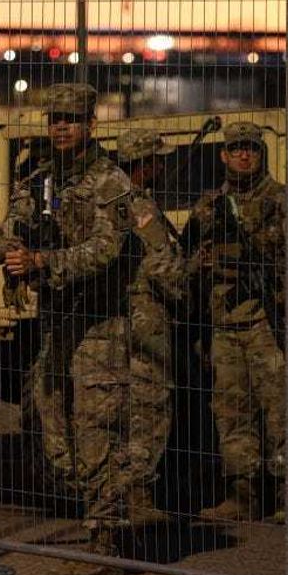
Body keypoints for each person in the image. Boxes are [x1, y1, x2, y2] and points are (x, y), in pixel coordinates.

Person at [0, 83, 138, 575]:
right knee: (54, 434)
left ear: (90, 124)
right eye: (54, 119)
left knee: (95, 434)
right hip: (57, 328)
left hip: (101, 328)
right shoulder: (39, 183)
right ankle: (102, 522)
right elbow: (6, 242)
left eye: (70, 119)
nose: (61, 127)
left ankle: (106, 541)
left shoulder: (111, 184)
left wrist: (45, 261)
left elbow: (107, 250)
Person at [180, 121, 288, 523]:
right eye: (237, 148)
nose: (245, 155)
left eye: (252, 148)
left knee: (281, 411)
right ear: (224, 155)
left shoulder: (286, 204)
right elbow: (184, 267)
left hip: (269, 324)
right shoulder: (208, 207)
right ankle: (243, 494)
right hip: (223, 326)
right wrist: (201, 266)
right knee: (232, 412)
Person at [113, 128, 185, 527]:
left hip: (114, 320)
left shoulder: (106, 198)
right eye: (157, 160)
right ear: (144, 164)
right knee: (149, 404)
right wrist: (188, 286)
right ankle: (137, 496)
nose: (162, 166)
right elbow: (163, 269)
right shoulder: (139, 206)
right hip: (145, 319)